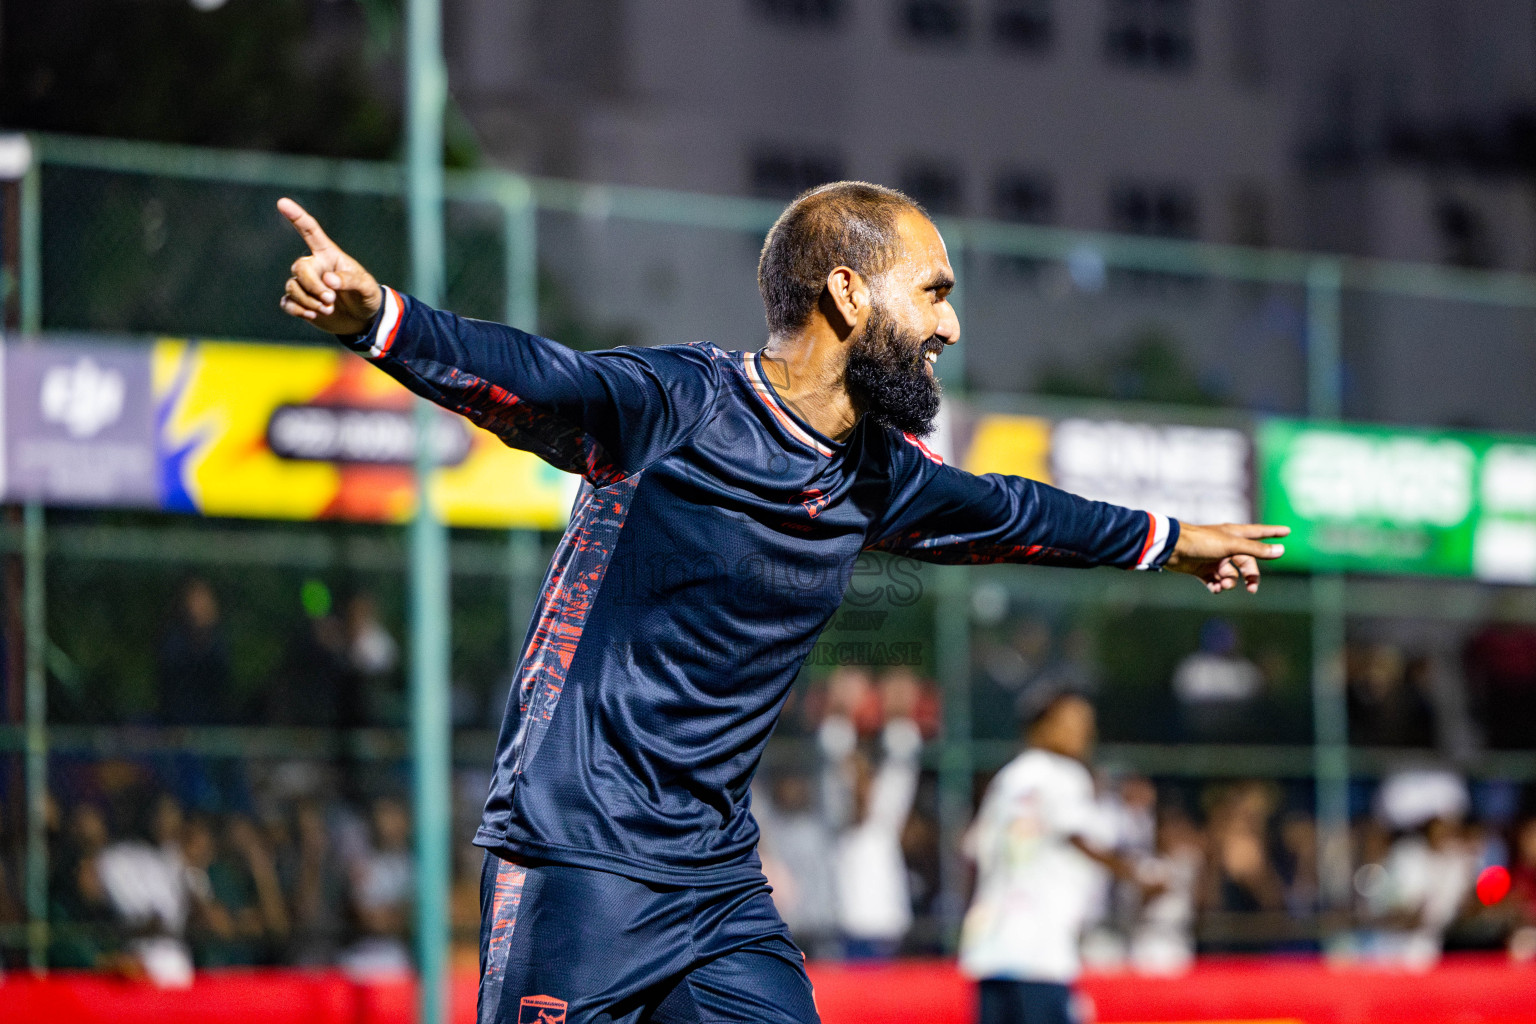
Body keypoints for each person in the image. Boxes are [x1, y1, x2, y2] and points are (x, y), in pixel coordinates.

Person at [276, 182, 1287, 1023]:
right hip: (578, 855)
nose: (950, 323)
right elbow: (537, 376)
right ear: (848, 291)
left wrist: (1172, 542)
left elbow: (1015, 511)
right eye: (933, 292)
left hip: (715, 885)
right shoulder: (680, 405)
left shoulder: (877, 474)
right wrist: (379, 318)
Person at [961, 691, 1163, 1024]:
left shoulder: (1008, 778)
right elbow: (1082, 839)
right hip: (1042, 950)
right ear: (1041, 727)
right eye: (1071, 723)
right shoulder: (1063, 775)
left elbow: (973, 850)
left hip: (991, 947)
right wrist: (1139, 874)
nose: (1083, 733)